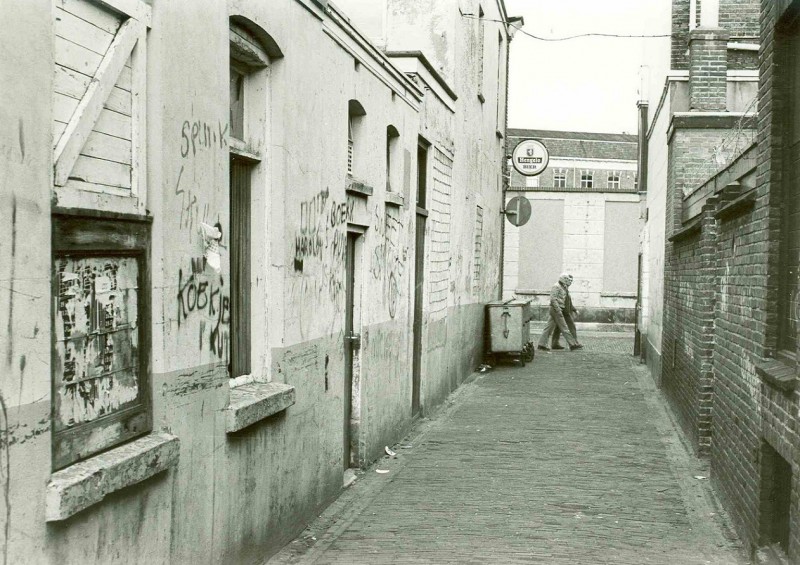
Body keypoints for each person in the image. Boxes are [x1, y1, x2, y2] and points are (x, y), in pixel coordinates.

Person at [537, 274, 583, 352]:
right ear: (563, 279)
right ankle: (572, 344)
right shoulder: (556, 286)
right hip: (556, 310)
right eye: (567, 279)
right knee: (564, 327)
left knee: (548, 328)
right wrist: (558, 311)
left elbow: (566, 301)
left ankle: (541, 344)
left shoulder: (563, 287)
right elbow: (553, 299)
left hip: (557, 309)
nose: (568, 281)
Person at [552, 274, 580, 350]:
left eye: (571, 281)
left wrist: (574, 309)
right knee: (569, 327)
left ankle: (554, 344)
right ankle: (574, 343)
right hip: (563, 311)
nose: (570, 282)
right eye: (569, 280)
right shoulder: (562, 287)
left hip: (565, 311)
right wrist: (559, 310)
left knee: (558, 328)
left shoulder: (565, 288)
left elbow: (569, 302)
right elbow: (555, 299)